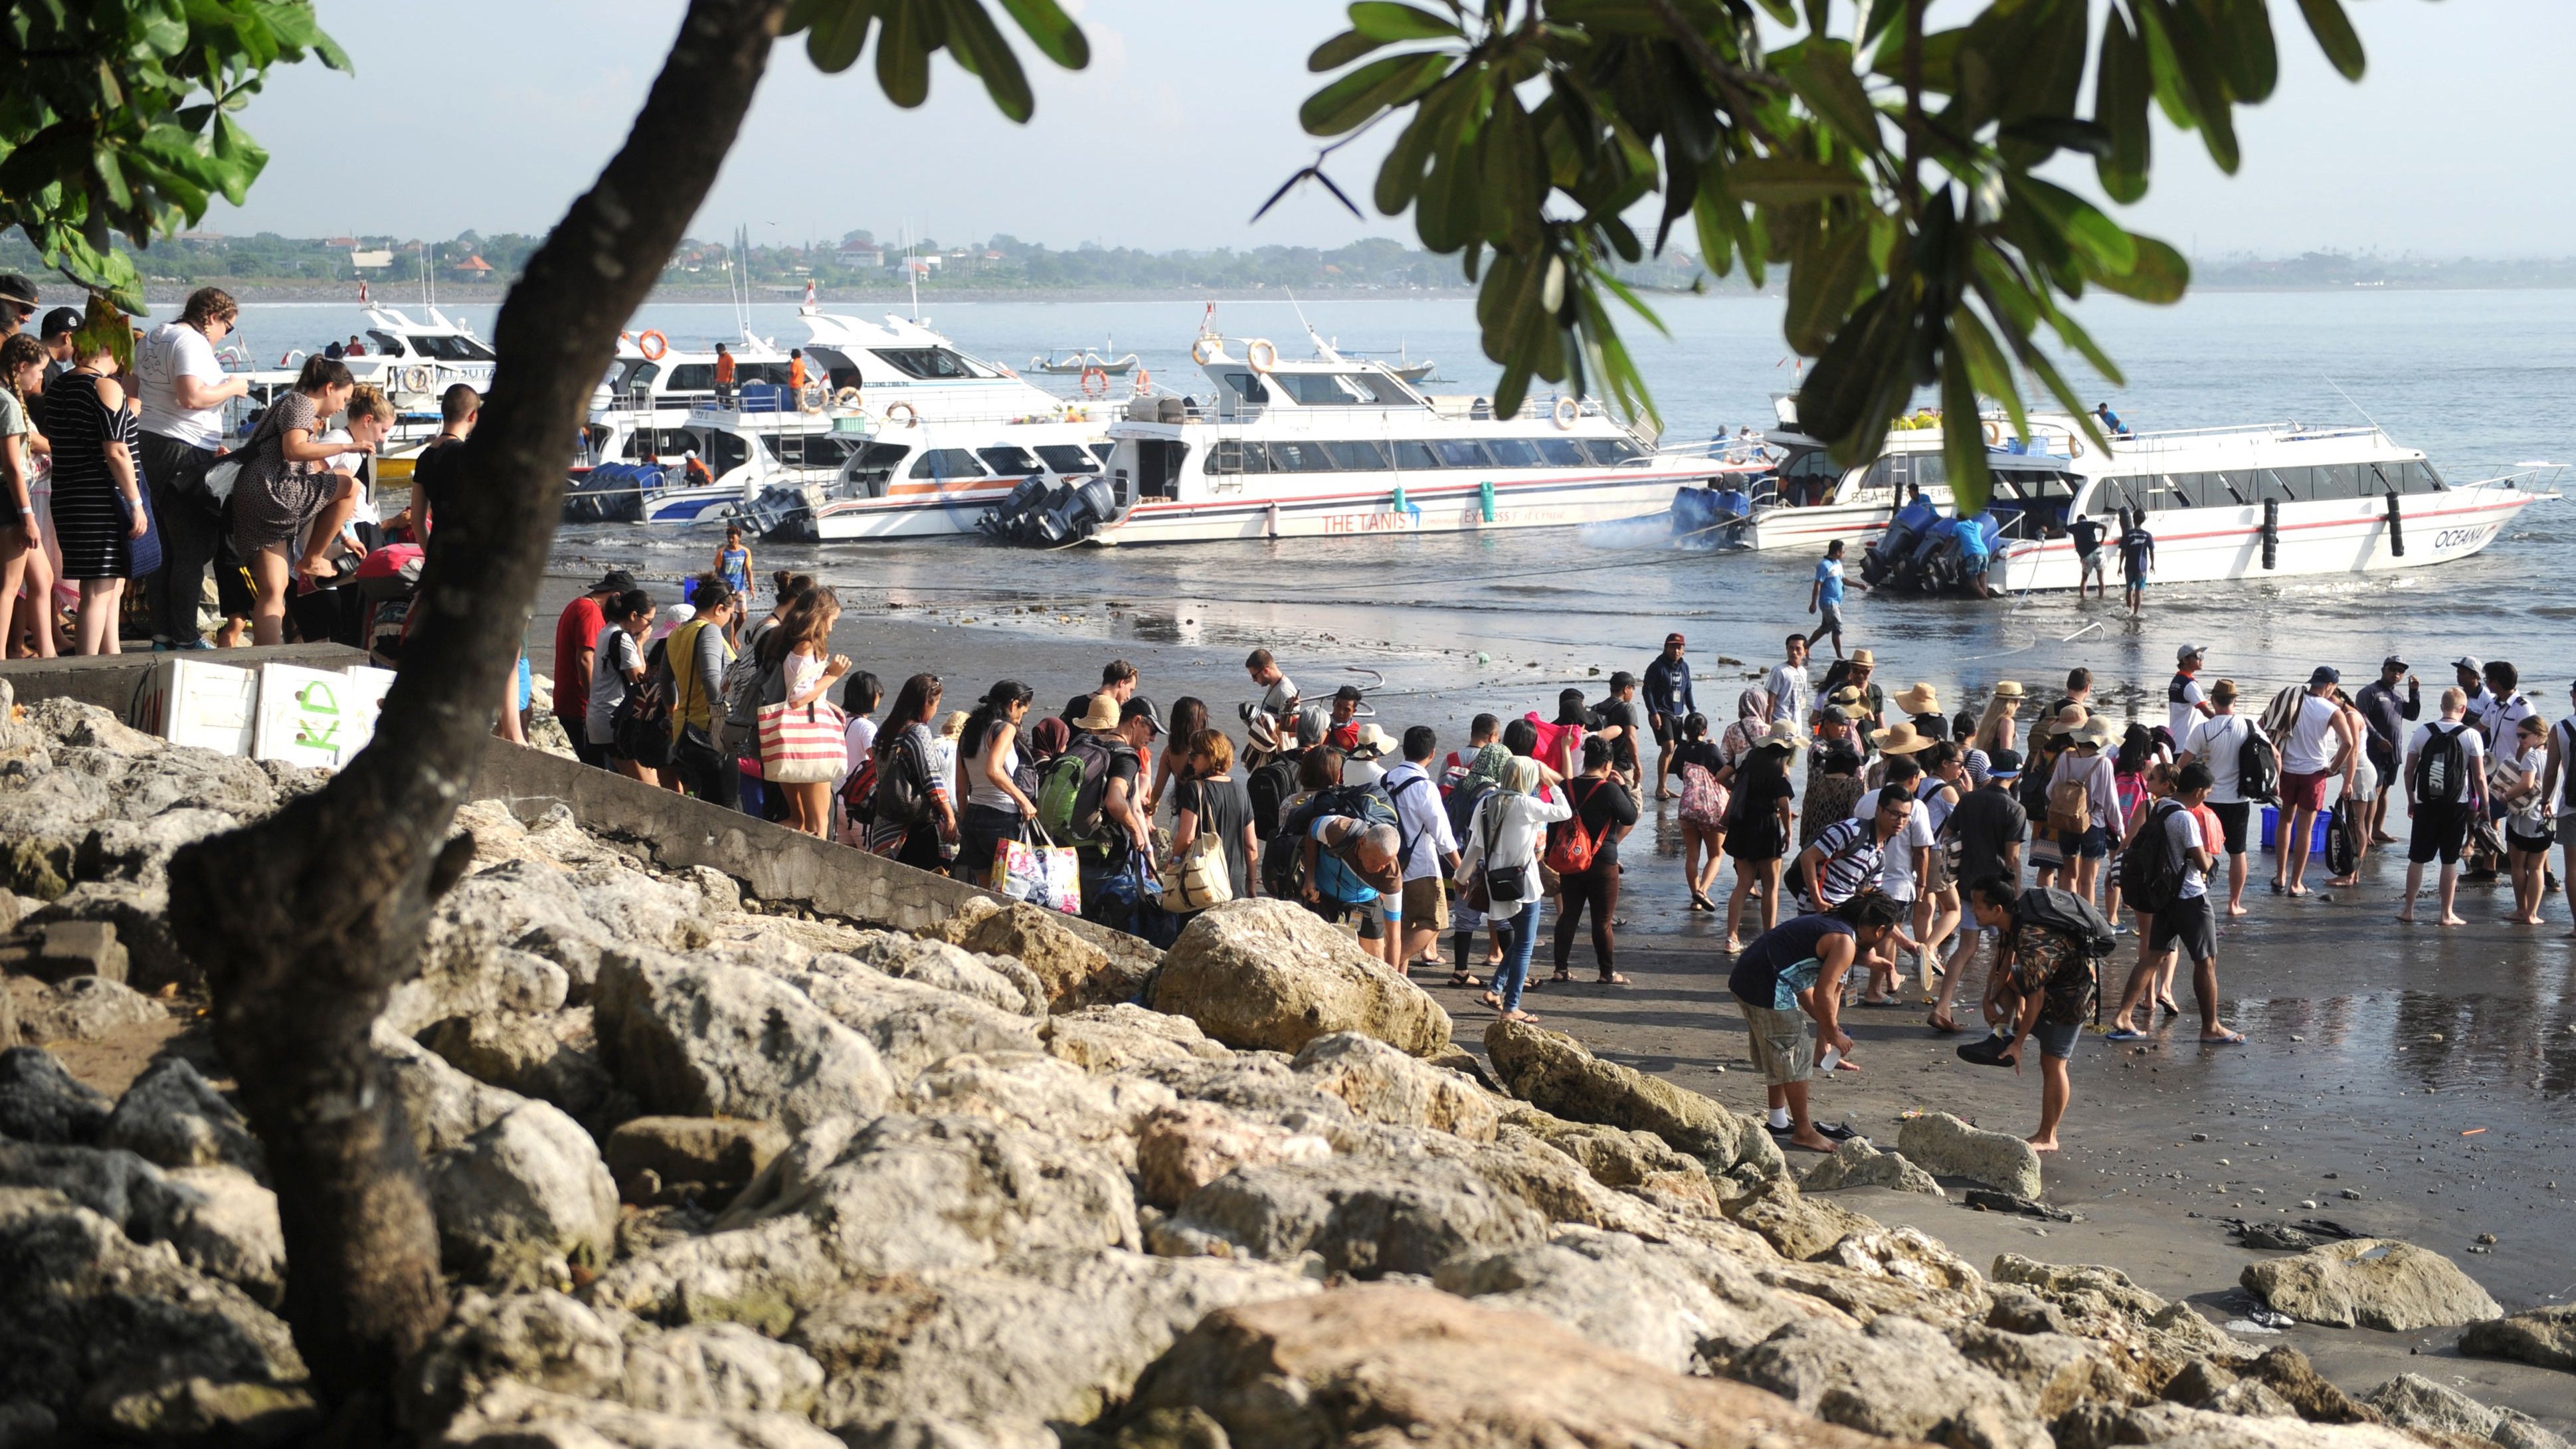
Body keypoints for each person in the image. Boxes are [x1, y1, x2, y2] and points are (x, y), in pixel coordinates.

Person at [1728, 893, 1904, 1153]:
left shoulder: (1828, 921)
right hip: (1768, 987)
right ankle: (1803, 1131)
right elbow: (1823, 994)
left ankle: (1777, 1121)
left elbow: (1803, 984)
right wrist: (1833, 1034)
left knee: (1778, 1051)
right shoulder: (1845, 943)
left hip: (1747, 978)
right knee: (1795, 1054)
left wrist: (1830, 1025)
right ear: (1879, 931)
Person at [135, 287, 252, 649]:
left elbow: (136, 390)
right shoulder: (191, 341)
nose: (223, 336)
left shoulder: (153, 336)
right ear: (213, 317)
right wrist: (233, 387)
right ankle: (185, 637)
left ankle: (163, 633)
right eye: (227, 328)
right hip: (182, 450)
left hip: (150, 443)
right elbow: (191, 397)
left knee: (164, 548)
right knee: (193, 547)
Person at [230, 355, 364, 645]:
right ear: (330, 388)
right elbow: (293, 450)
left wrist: (342, 531)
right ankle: (312, 560)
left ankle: (266, 659)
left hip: (253, 498)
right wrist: (348, 446)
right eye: (345, 397)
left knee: (274, 592)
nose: (343, 406)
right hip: (274, 492)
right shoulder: (302, 403)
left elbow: (306, 467)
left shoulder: (286, 402)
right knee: (350, 485)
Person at [2107, 763, 2241, 1044]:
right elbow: (2202, 862)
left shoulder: (2160, 807)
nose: (2207, 796)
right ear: (2198, 791)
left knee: (2152, 957)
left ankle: (2123, 1016)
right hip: (2190, 897)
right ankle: (2211, 1027)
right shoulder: (2185, 819)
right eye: (2206, 791)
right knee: (2206, 962)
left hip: (2164, 896)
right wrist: (2209, 859)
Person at [1966, 877, 2098, 1153]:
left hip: (2072, 997)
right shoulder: (2012, 923)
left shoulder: (2030, 938)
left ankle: (2048, 1136)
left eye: (1978, 906)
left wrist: (2020, 1043)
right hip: (2049, 982)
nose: (1973, 911)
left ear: (1997, 910)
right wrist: (1988, 1000)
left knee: (2053, 1065)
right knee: (2006, 985)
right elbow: (2003, 963)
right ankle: (2002, 1034)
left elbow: (2036, 999)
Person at [41, 324, 147, 654]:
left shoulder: (59, 385)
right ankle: (87, 667)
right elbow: (116, 450)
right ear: (109, 346)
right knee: (99, 591)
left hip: (69, 493)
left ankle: (110, 655)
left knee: (108, 585)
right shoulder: (103, 386)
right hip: (101, 498)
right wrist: (136, 501)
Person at [1455, 757, 1570, 1024]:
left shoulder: (1486, 803)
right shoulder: (1527, 804)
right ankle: (1511, 1006)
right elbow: (1564, 812)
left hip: (1495, 882)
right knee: (1524, 946)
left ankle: (1495, 990)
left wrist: (1462, 876)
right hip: (1524, 883)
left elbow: (1475, 845)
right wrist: (1551, 783)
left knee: (1520, 942)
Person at [1928, 748, 2029, 1033]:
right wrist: (2016, 893)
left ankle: (1942, 1006)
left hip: (1968, 887)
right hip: (1998, 892)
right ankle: (2010, 1014)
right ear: (2017, 776)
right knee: (2008, 951)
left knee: (1966, 948)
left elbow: (1947, 837)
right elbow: (2013, 858)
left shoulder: (1969, 800)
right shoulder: (2015, 810)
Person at [1548, 735, 1639, 986]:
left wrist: (1549, 855)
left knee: (1569, 915)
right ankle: (1606, 973)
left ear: (1585, 761)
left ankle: (1561, 969)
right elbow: (1630, 816)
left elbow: (1553, 824)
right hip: (1602, 862)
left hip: (1570, 862)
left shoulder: (1566, 787)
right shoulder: (1609, 789)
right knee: (1602, 921)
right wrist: (1623, 788)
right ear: (1608, 764)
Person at [2397, 687, 2484, 927]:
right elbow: (2478, 776)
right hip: (2456, 805)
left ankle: (2408, 910)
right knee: (2449, 860)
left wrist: (2412, 799)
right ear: (2463, 709)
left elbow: (2408, 770)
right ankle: (2446, 914)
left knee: (2417, 858)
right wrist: (2484, 806)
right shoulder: (2471, 735)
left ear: (2441, 706)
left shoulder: (2423, 732)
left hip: (2426, 803)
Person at [1382, 725, 1460, 977]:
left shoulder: (1384, 780)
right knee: (1434, 921)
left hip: (1389, 863)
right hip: (1420, 867)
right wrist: (1461, 870)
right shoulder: (1426, 788)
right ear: (1433, 754)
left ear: (1403, 750)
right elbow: (1443, 837)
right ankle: (1388, 966)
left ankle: (1399, 977)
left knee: (1402, 922)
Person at [2177, 679, 2257, 917]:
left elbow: (2182, 764)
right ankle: (2234, 903)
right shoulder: (2249, 725)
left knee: (2200, 850)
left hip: (2205, 799)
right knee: (2238, 852)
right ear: (2235, 700)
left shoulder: (2203, 729)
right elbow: (2273, 755)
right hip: (2239, 799)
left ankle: (2199, 897)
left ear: (2213, 700)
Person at [2276, 666, 2357, 898]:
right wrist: (2333, 768)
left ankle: (2280, 875)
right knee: (2305, 828)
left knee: (2285, 821)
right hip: (2314, 773)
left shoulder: (2292, 701)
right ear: (2330, 686)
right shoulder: (2331, 710)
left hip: (2288, 769)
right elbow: (2348, 743)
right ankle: (2295, 883)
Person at [1719, 722, 1801, 951]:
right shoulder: (1780, 768)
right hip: (1766, 825)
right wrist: (1788, 830)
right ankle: (1769, 937)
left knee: (1743, 883)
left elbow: (1720, 776)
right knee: (1770, 886)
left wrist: (1737, 790)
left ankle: (1731, 938)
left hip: (1742, 821)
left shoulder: (1747, 755)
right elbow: (1784, 805)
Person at [952, 681, 1037, 885]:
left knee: (986, 890)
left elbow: (960, 787)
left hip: (973, 816)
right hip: (1002, 817)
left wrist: (965, 820)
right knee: (1011, 890)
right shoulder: (1005, 729)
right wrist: (1024, 801)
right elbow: (993, 770)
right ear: (1014, 704)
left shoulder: (968, 732)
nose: (1020, 719)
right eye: (1023, 713)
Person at [868, 674, 956, 870]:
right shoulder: (918, 731)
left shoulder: (886, 730)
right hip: (914, 828)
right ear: (926, 702)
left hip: (887, 826)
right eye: (937, 704)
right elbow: (931, 778)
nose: (936, 710)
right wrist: (949, 816)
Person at [664, 580, 739, 806]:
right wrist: (721, 722)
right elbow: (710, 677)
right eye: (730, 613)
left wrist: (672, 713)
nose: (730, 619)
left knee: (702, 800)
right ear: (719, 608)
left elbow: (666, 680)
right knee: (726, 804)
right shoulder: (710, 631)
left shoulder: (677, 633)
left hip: (683, 732)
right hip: (709, 733)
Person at [0, 336, 50, 662]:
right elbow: (13, 467)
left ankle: (45, 651)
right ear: (21, 368)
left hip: (13, 498)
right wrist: (27, 517)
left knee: (43, 576)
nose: (39, 379)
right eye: (37, 371)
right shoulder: (7, 403)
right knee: (9, 583)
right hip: (10, 499)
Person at [1172, 727, 1258, 906]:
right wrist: (1250, 883)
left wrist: (1174, 861)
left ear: (1210, 756)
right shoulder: (1241, 790)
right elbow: (1251, 846)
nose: (1190, 760)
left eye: (1194, 755)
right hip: (1234, 885)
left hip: (1202, 884)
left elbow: (1186, 838)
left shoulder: (1195, 789)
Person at [2047, 715, 2120, 908]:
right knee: (2088, 880)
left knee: (2069, 874)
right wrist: (2120, 829)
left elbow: (2050, 791)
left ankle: (2066, 915)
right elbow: (2110, 802)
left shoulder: (2066, 758)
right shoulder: (2102, 763)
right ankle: (2086, 920)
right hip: (2093, 823)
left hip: (2067, 821)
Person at [586, 589, 658, 783]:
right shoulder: (622, 638)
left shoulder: (606, 631)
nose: (648, 627)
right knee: (648, 785)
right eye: (649, 621)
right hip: (614, 720)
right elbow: (640, 678)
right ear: (634, 615)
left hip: (599, 716)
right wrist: (641, 645)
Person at [2354, 656, 2420, 846]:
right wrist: (2377, 738)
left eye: (2401, 671)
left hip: (2394, 751)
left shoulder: (2398, 695)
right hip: (2375, 750)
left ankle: (2377, 829)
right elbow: (2361, 717)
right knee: (2374, 791)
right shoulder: (2370, 692)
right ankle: (2365, 832)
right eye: (2393, 669)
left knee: (2384, 791)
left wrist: (2414, 692)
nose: (2396, 673)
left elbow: (2413, 715)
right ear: (2383, 669)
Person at [407, 383, 480, 547]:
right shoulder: (468, 455)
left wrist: (430, 556)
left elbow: (417, 520)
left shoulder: (425, 457)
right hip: (466, 548)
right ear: (472, 415)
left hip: (438, 548)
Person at [2498, 715, 2552, 927]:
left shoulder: (2531, 757)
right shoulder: (2556, 756)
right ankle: (2533, 913)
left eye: (2524, 736)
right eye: (2518, 735)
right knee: (2537, 867)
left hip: (2525, 818)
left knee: (2518, 865)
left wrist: (2505, 796)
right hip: (2550, 817)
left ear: (2539, 734)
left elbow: (2526, 784)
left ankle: (2522, 911)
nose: (2520, 740)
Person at [1672, 713, 1728, 912]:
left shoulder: (1681, 750)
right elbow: (1727, 770)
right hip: (1710, 809)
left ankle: (1695, 899)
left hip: (1687, 806)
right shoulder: (1711, 749)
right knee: (1715, 855)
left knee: (1692, 856)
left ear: (1686, 731)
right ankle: (1702, 891)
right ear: (1704, 730)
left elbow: (1678, 773)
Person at [1642, 632, 1695, 799]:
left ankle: (1664, 787)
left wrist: (1693, 712)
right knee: (1668, 747)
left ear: (1684, 650)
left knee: (1672, 750)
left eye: (1679, 647)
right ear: (1666, 648)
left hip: (1678, 713)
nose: (1676, 650)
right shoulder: (1657, 667)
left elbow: (1688, 690)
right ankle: (1659, 788)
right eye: (1672, 647)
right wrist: (1653, 712)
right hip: (1662, 712)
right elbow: (1647, 690)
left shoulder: (1684, 667)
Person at [2543, 680, 2576, 937]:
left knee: (2573, 868)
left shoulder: (2561, 728)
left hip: (2570, 807)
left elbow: (2551, 771)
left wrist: (2545, 801)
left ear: (2573, 697)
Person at [1146, 696, 1210, 815]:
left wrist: (1148, 811)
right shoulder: (1206, 753)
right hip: (1206, 812)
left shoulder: (1169, 752)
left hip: (1182, 812)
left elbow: (1156, 793)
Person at [1807, 539, 1860, 658]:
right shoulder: (1824, 565)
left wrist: (1859, 585)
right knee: (1837, 627)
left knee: (1825, 628)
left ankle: (1807, 646)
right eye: (1843, 551)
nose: (1844, 554)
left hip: (1836, 602)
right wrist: (1813, 603)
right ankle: (1840, 656)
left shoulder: (1838, 565)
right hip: (1828, 602)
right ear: (1837, 552)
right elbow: (1817, 584)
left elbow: (1844, 580)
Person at [1766, 634, 1812, 727]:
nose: (1794, 652)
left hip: (1797, 723)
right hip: (1781, 722)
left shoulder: (1803, 672)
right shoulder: (1779, 671)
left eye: (1798, 649)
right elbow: (1771, 700)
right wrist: (1768, 724)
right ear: (1787, 649)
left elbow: (1802, 698)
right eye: (1791, 648)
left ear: (1805, 652)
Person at [2168, 645, 2213, 741]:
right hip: (2186, 742)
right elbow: (2207, 712)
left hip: (2174, 739)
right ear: (2185, 660)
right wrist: (2225, 723)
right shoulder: (2190, 684)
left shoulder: (2176, 681)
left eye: (2202, 656)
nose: (2201, 659)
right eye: (2198, 655)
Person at [2118, 508, 2154, 616]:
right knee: (2139, 591)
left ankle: (2129, 610)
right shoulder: (2148, 535)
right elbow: (2151, 551)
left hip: (2129, 567)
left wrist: (2119, 565)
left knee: (2129, 589)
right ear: (2143, 521)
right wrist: (2152, 564)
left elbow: (2123, 551)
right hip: (2142, 568)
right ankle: (2136, 613)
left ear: (2133, 520)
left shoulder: (2128, 535)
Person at [1245, 648, 1298, 721]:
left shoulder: (1285, 692)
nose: (1254, 680)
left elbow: (1292, 729)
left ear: (1266, 671)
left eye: (1255, 676)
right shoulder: (1274, 686)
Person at [2069, 511, 2108, 599]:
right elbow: (2104, 527)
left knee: (2085, 579)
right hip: (2098, 552)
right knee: (2101, 579)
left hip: (2087, 556)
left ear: (2078, 520)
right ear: (2085, 520)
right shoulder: (2091, 524)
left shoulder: (2075, 527)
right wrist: (2102, 540)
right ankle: (2101, 598)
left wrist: (2047, 533)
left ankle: (2083, 599)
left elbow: (2060, 531)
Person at [714, 525, 753, 611]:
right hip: (726, 589)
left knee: (742, 616)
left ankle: (736, 626)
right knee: (729, 615)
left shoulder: (745, 552)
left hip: (739, 588)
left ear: (739, 537)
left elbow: (748, 571)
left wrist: (751, 587)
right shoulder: (722, 552)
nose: (730, 540)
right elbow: (717, 572)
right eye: (728, 537)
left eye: (733, 537)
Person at [712, 342, 737, 408]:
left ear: (720, 349)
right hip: (719, 381)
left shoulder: (729, 358)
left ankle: (728, 410)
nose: (716, 352)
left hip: (726, 382)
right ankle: (719, 409)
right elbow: (717, 368)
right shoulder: (720, 357)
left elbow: (732, 369)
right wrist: (715, 380)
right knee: (718, 398)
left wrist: (731, 380)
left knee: (727, 398)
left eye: (717, 350)